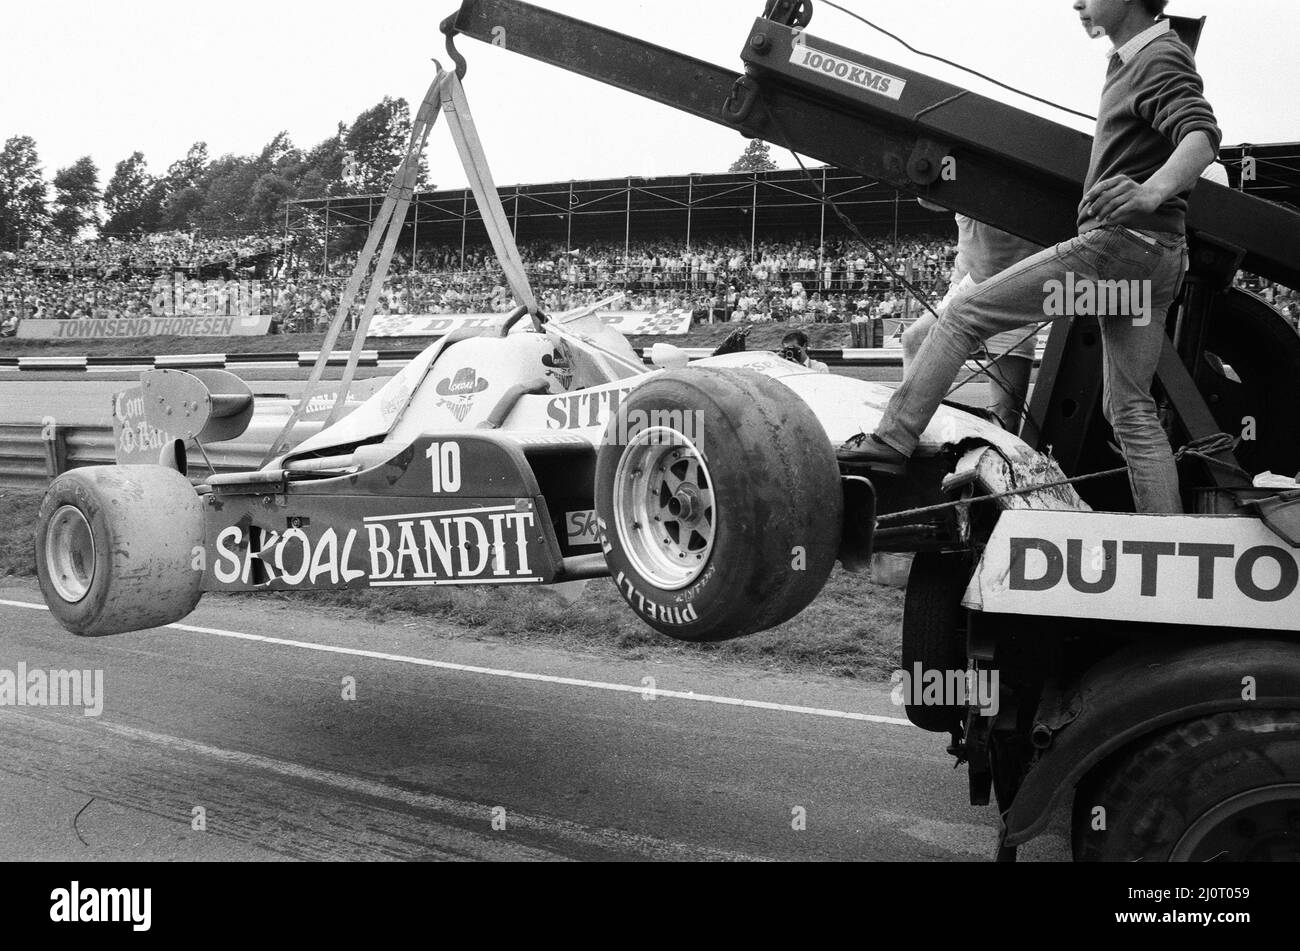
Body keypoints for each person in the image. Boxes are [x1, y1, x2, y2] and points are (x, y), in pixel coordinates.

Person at [841, 0, 1219, 515]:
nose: (1077, 2)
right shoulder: (1137, 57)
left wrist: (1150, 192)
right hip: (1150, 269)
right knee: (1129, 410)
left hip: (1118, 251)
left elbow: (1200, 138)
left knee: (965, 314)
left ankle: (890, 442)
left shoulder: (1156, 56)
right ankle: (1167, 537)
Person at [904, 202, 1045, 433]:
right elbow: (928, 199)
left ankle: (1000, 464)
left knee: (1005, 414)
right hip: (968, 285)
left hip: (1017, 288)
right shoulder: (965, 171)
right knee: (915, 339)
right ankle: (915, 430)